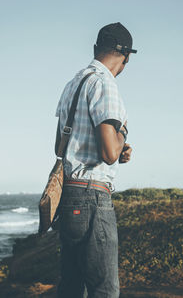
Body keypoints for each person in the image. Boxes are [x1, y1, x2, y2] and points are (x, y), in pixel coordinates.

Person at [55, 22, 137, 298]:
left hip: (67, 194)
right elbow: (109, 154)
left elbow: (60, 146)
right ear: (125, 56)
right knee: (104, 290)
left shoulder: (73, 84)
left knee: (71, 288)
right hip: (92, 197)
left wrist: (117, 144)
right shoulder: (105, 83)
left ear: (96, 49)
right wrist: (122, 133)